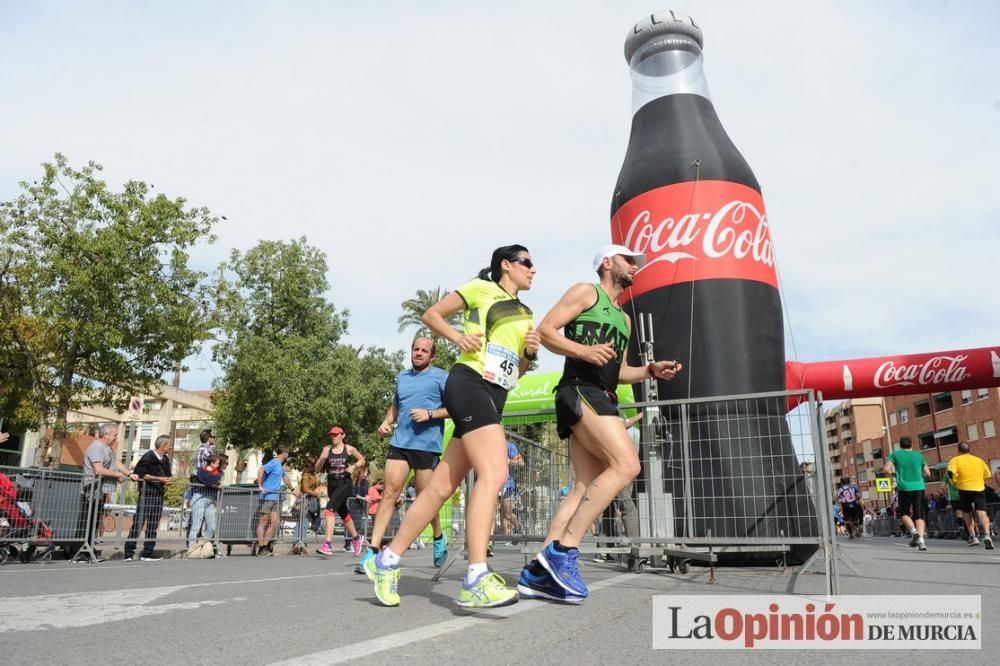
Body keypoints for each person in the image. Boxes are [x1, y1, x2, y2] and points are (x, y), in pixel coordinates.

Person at [368, 244, 540, 608]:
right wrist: (458, 338)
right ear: (506, 266)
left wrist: (529, 353)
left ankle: (388, 559)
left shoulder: (526, 312)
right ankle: (476, 575)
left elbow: (517, 374)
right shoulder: (481, 288)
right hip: (468, 383)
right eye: (527, 262)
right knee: (494, 473)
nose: (533, 269)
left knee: (439, 489)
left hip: (496, 395)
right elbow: (432, 314)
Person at [517, 244, 681, 604]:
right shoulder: (585, 292)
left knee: (582, 486)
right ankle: (564, 551)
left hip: (603, 394)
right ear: (607, 263)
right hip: (579, 388)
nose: (635, 266)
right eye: (628, 260)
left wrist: (650, 371)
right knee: (627, 464)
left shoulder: (625, 319)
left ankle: (537, 572)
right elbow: (545, 330)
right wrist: (583, 351)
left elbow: (619, 372)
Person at [76, 424, 137, 560]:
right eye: (115, 435)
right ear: (106, 435)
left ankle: (89, 549)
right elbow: (98, 469)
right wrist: (117, 475)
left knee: (95, 520)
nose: (116, 438)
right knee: (87, 519)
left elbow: (116, 462)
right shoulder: (97, 447)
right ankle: (80, 551)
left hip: (100, 489)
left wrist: (129, 473)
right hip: (91, 488)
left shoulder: (107, 448)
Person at [315, 426, 366, 556]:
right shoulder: (327, 449)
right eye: (331, 435)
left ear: (342, 435)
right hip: (332, 484)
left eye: (336, 435)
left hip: (345, 483)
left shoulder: (349, 449)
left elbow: (362, 459)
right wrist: (321, 459)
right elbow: (317, 469)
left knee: (328, 510)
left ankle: (327, 544)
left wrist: (354, 466)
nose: (333, 437)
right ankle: (356, 538)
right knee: (343, 513)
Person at [123, 435, 174, 562]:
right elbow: (142, 474)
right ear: (163, 446)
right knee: (139, 523)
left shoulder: (166, 459)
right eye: (169, 445)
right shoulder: (148, 457)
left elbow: (167, 475)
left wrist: (167, 481)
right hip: (147, 494)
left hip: (159, 494)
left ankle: (148, 552)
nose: (170, 447)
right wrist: (159, 479)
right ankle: (128, 552)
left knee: (153, 524)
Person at [884, 435, 931, 551]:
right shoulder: (918, 455)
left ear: (900, 445)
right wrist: (919, 476)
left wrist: (894, 476)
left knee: (904, 513)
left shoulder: (895, 454)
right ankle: (921, 541)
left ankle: (913, 531)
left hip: (904, 487)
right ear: (912, 444)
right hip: (919, 486)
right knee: (919, 515)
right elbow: (928, 473)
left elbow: (886, 469)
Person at [946, 442, 993, 549]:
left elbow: (950, 472)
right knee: (982, 512)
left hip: (964, 489)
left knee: (967, 513)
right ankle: (987, 535)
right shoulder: (978, 460)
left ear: (958, 450)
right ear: (969, 450)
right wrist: (979, 481)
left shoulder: (955, 460)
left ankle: (973, 536)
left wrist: (954, 482)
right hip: (979, 488)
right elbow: (988, 474)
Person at [256, 446, 299, 556]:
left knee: (275, 522)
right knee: (263, 521)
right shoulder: (274, 463)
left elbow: (285, 478)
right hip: (267, 497)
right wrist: (260, 486)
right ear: (285, 453)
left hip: (275, 497)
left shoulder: (279, 466)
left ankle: (265, 545)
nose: (288, 454)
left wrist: (293, 489)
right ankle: (261, 547)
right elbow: (261, 469)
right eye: (287, 452)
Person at [188, 452, 223, 552]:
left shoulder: (217, 473)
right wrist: (213, 484)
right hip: (200, 497)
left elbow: (213, 481)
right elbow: (205, 480)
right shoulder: (201, 471)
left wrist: (215, 485)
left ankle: (202, 545)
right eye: (217, 463)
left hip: (210, 499)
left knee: (212, 527)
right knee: (196, 526)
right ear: (211, 463)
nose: (218, 465)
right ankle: (191, 548)